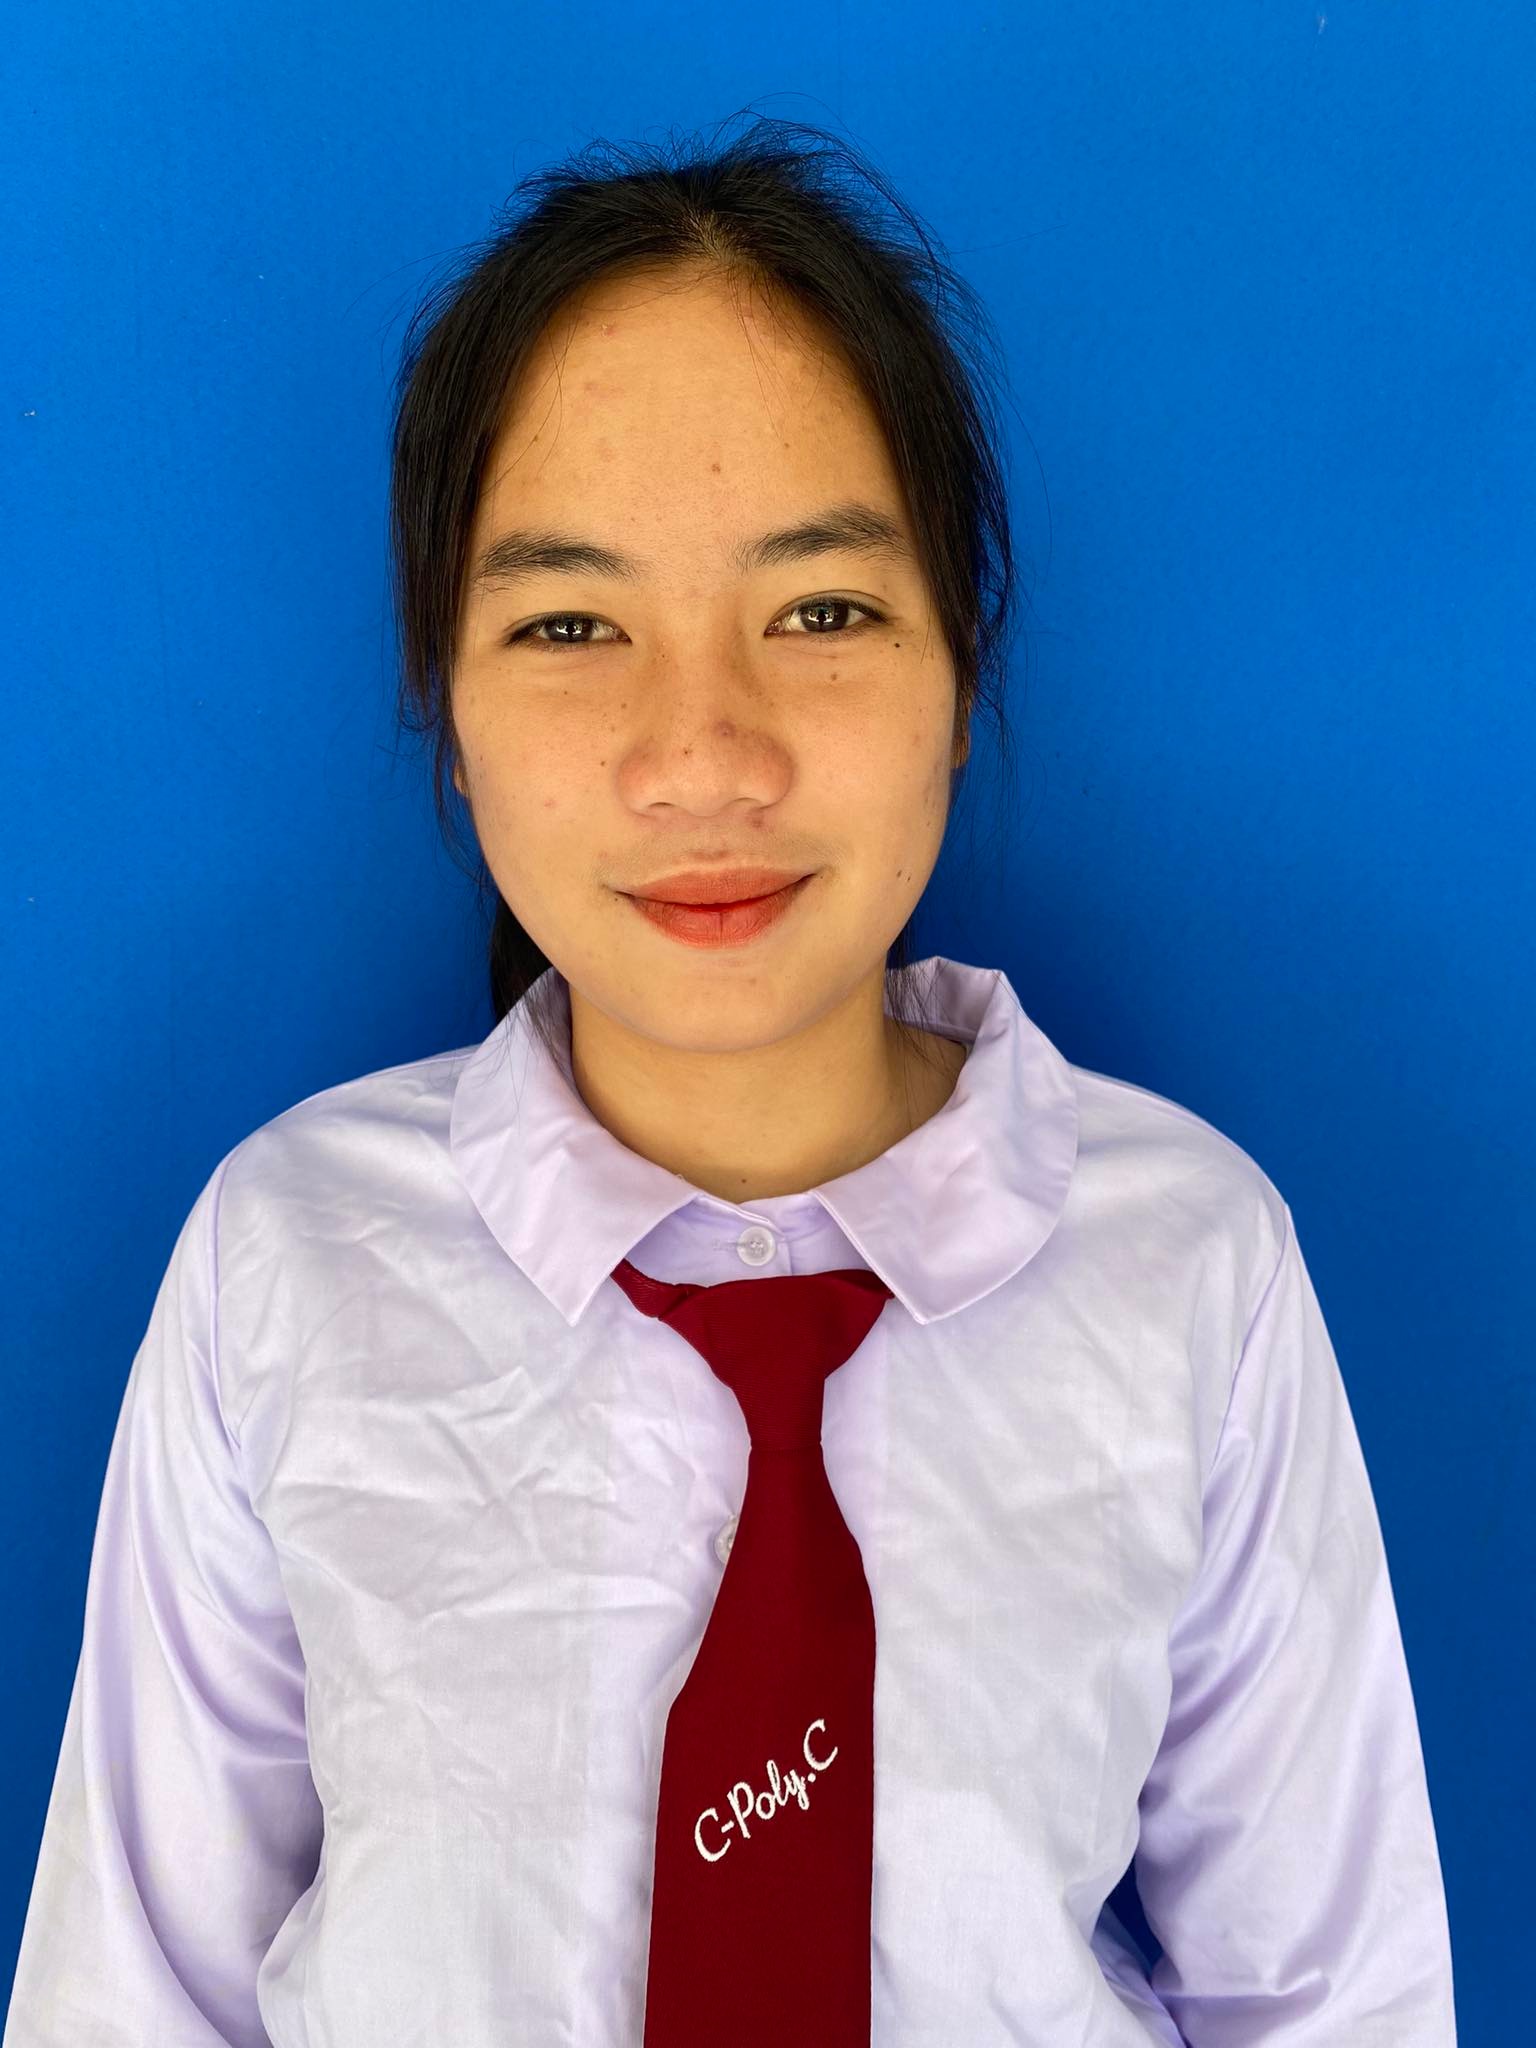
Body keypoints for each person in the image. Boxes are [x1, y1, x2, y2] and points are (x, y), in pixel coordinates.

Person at [3, 115, 1456, 2045]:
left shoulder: (1193, 1265)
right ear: (447, 710)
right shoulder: (287, 1258)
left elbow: (1334, 1997)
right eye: (570, 623)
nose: (703, 757)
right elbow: (133, 1994)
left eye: (824, 611)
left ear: (963, 666)